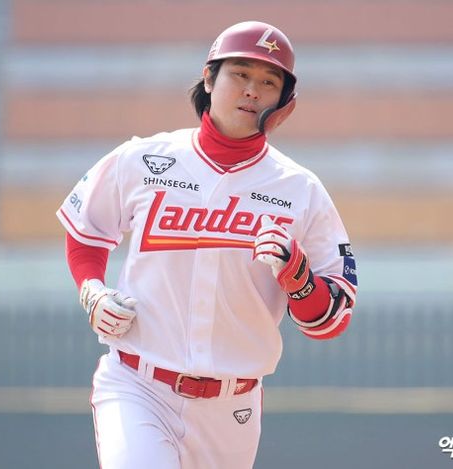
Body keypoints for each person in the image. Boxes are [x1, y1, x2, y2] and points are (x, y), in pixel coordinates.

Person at [56, 20, 358, 469]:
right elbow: (86, 233)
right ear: (209, 78)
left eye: (269, 82)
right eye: (240, 73)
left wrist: (299, 279)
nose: (252, 90)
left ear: (284, 103)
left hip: (233, 407)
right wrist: (92, 291)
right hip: (137, 385)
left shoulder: (301, 190)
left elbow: (333, 320)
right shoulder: (144, 158)